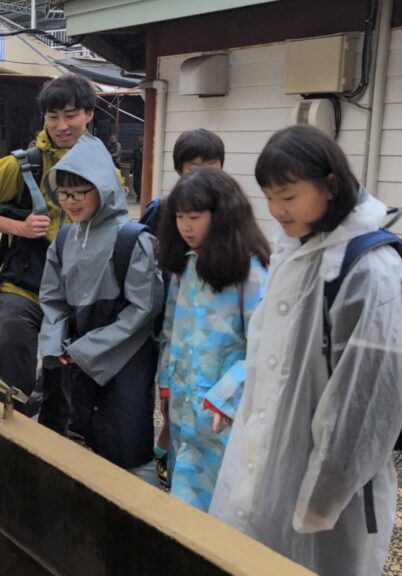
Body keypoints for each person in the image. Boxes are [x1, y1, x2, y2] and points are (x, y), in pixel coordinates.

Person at [209, 125, 402, 576]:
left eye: (288, 196)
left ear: (330, 185)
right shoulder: (296, 247)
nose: (276, 210)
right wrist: (237, 401)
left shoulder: (369, 272)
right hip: (269, 463)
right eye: (269, 197)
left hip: (328, 495)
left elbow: (366, 408)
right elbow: (267, 354)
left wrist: (321, 501)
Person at [0, 73, 98, 414]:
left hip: (73, 293)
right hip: (23, 284)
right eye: (53, 116)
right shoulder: (21, 165)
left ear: (88, 114)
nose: (61, 125)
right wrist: (18, 227)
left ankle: (51, 434)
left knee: (62, 386)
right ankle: (10, 427)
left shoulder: (102, 169)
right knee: (14, 379)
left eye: (70, 115)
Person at [38, 135, 163, 482]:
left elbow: (143, 310)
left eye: (80, 192)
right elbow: (52, 298)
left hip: (125, 359)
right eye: (64, 193)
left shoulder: (132, 239)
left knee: (130, 449)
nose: (71, 201)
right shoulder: (65, 238)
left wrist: (84, 350)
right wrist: (55, 345)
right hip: (76, 359)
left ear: (104, 189)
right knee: (83, 442)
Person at [154, 167, 269, 510]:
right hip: (183, 406)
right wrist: (165, 383)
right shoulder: (185, 265)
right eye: (179, 217)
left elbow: (265, 347)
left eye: (195, 217)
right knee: (182, 499)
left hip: (225, 415)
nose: (185, 227)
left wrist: (226, 397)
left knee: (222, 505)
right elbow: (170, 330)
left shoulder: (251, 272)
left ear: (222, 216)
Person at [151, 127, 227, 489]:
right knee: (171, 407)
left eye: (211, 168)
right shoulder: (163, 213)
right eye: (193, 169)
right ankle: (165, 455)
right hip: (171, 316)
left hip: (212, 361)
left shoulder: (232, 235)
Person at [131, 136, 143, 202]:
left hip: (143, 170)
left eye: (141, 141)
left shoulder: (147, 150)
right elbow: (133, 161)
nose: (140, 142)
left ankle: (141, 195)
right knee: (136, 183)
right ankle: (139, 195)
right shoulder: (136, 151)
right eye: (139, 141)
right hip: (137, 170)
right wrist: (131, 170)